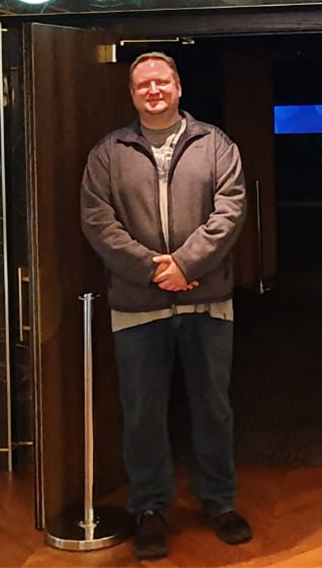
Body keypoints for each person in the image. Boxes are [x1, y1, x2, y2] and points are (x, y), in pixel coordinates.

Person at [80, 51, 251, 560]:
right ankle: (149, 507)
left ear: (178, 88)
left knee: (213, 409)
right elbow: (97, 221)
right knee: (142, 414)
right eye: (142, 84)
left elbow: (231, 209)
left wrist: (187, 266)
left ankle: (218, 501)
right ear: (132, 94)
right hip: (136, 304)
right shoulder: (107, 153)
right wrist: (155, 268)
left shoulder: (215, 144)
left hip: (207, 302)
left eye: (161, 81)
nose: (153, 90)